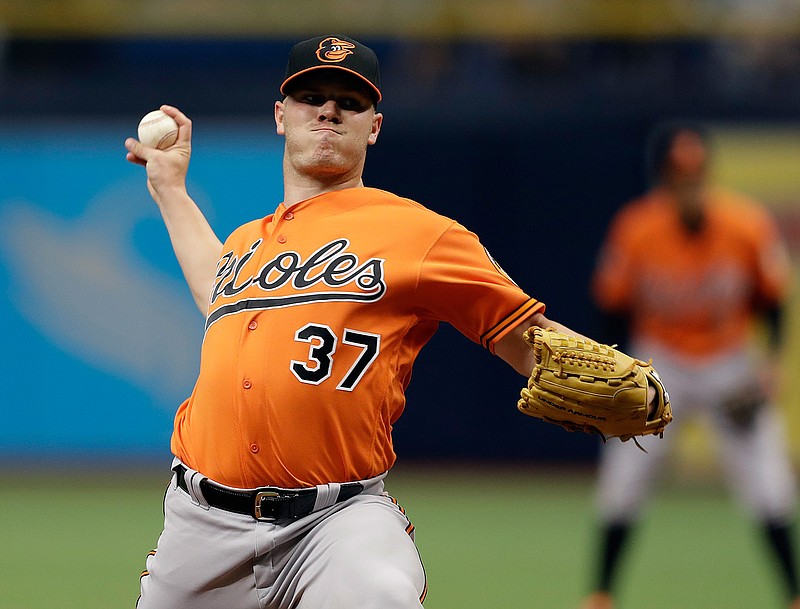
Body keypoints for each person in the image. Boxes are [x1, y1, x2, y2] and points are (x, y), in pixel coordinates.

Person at [125, 35, 659, 609]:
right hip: (199, 526)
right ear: (281, 117)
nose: (329, 109)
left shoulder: (420, 234)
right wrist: (169, 190)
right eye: (311, 96)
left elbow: (526, 336)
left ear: (374, 127)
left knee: (378, 595)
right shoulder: (248, 243)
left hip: (335, 524)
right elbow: (217, 295)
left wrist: (626, 373)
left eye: (349, 102)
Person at [580, 123, 800, 609]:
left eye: (697, 174)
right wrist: (616, 363)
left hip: (729, 362)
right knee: (623, 481)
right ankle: (601, 594)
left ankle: (793, 595)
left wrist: (771, 362)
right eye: (680, 176)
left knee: (769, 484)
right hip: (662, 364)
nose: (690, 185)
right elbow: (609, 303)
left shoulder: (745, 224)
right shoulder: (637, 229)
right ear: (662, 180)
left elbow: (773, 299)